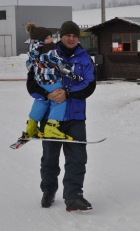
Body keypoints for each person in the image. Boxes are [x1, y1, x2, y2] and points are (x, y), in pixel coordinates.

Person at [26, 20, 96, 211]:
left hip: (75, 117)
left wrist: (68, 94)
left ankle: (73, 197)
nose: (71, 39)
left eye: (74, 36)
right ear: (61, 36)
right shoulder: (45, 53)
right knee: (49, 158)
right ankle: (48, 191)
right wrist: (47, 94)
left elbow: (90, 86)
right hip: (51, 118)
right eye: (68, 35)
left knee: (77, 158)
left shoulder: (85, 59)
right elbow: (32, 84)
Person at [24, 22, 82, 140]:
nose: (51, 39)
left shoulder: (32, 52)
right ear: (40, 41)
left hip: (40, 82)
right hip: (52, 82)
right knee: (59, 101)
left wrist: (37, 70)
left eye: (51, 36)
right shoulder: (50, 51)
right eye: (48, 37)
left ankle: (31, 125)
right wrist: (73, 75)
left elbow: (29, 65)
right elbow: (61, 65)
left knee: (41, 101)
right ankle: (51, 127)